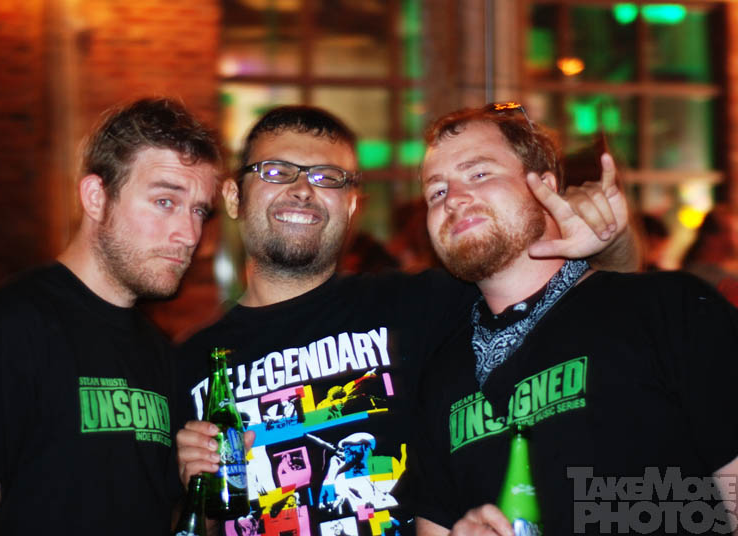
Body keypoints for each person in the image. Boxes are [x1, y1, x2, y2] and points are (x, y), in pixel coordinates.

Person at [175, 105, 634, 536]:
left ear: (352, 205)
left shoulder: (421, 303)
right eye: (276, 171)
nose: (302, 190)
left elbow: (579, 297)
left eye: (327, 177)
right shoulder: (186, 362)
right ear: (233, 197)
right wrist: (198, 497)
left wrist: (608, 238)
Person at [413, 105, 738, 536]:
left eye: (479, 173)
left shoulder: (669, 309)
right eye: (436, 192)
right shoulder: (441, 374)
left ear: (545, 187)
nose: (453, 198)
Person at [0, 98, 221, 535]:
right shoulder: (8, 327)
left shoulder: (158, 350)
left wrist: (194, 481)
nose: (189, 234)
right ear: (95, 197)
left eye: (199, 210)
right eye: (165, 201)